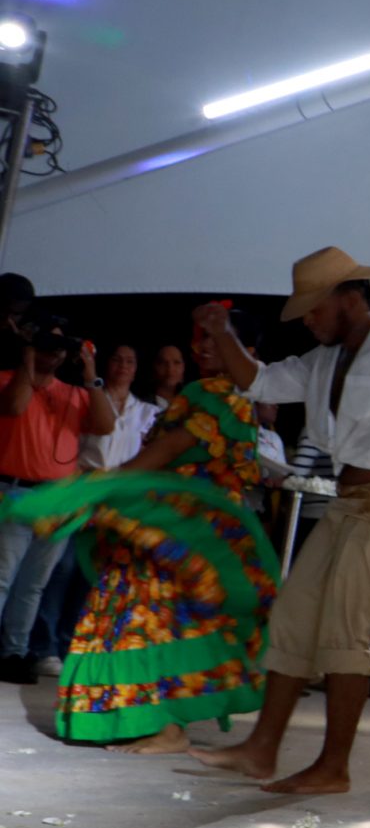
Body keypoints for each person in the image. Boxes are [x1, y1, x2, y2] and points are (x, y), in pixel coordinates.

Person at [190, 247, 370, 794]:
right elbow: (258, 382)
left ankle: (333, 767)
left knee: (345, 632)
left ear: (348, 298)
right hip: (349, 506)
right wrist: (221, 332)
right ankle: (261, 750)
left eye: (313, 308)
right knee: (294, 618)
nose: (307, 319)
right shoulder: (323, 361)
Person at [14, 317, 277, 752]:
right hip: (171, 523)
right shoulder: (218, 393)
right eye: (201, 339)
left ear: (247, 352)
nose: (203, 347)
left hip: (179, 527)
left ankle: (162, 723)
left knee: (146, 615)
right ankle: (149, 718)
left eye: (218, 341)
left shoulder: (220, 394)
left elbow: (166, 451)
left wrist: (95, 488)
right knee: (155, 617)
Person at [0, 321, 114, 683]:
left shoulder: (74, 394)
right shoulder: (8, 380)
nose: (53, 352)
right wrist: (28, 358)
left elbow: (106, 424)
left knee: (33, 584)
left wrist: (91, 374)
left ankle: (14, 652)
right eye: (46, 344)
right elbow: (15, 406)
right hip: (14, 492)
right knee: (2, 577)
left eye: (59, 346)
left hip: (58, 499)